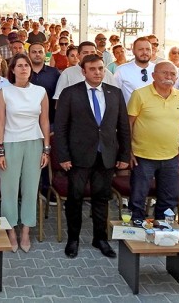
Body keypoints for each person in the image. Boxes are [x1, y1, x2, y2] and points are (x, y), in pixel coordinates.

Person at [54, 54, 131, 259]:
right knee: (75, 198)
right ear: (83, 71)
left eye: (100, 68)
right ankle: (73, 239)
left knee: (102, 198)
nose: (97, 72)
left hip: (106, 155)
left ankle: (100, 238)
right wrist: (63, 155)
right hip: (78, 157)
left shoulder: (114, 93)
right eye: (92, 69)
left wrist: (124, 154)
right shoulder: (70, 93)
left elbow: (123, 127)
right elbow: (60, 127)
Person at [0, 54, 49, 253]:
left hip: (34, 143)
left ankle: (26, 231)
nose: (24, 68)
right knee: (8, 190)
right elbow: (0, 122)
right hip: (10, 143)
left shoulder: (40, 92)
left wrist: (46, 149)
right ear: (12, 69)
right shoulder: (4, 92)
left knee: (30, 189)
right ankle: (10, 231)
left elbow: (44, 121)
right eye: (19, 65)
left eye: (27, 65)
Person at [127, 60, 179, 222]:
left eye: (173, 74)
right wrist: (128, 151)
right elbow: (128, 124)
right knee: (138, 198)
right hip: (142, 156)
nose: (169, 77)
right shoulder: (139, 94)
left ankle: (163, 229)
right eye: (164, 73)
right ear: (153, 75)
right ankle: (137, 227)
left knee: (169, 199)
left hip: (170, 156)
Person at [114, 37, 155, 103]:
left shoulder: (158, 69)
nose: (145, 52)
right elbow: (114, 95)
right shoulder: (121, 70)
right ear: (133, 51)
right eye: (140, 49)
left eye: (148, 49)